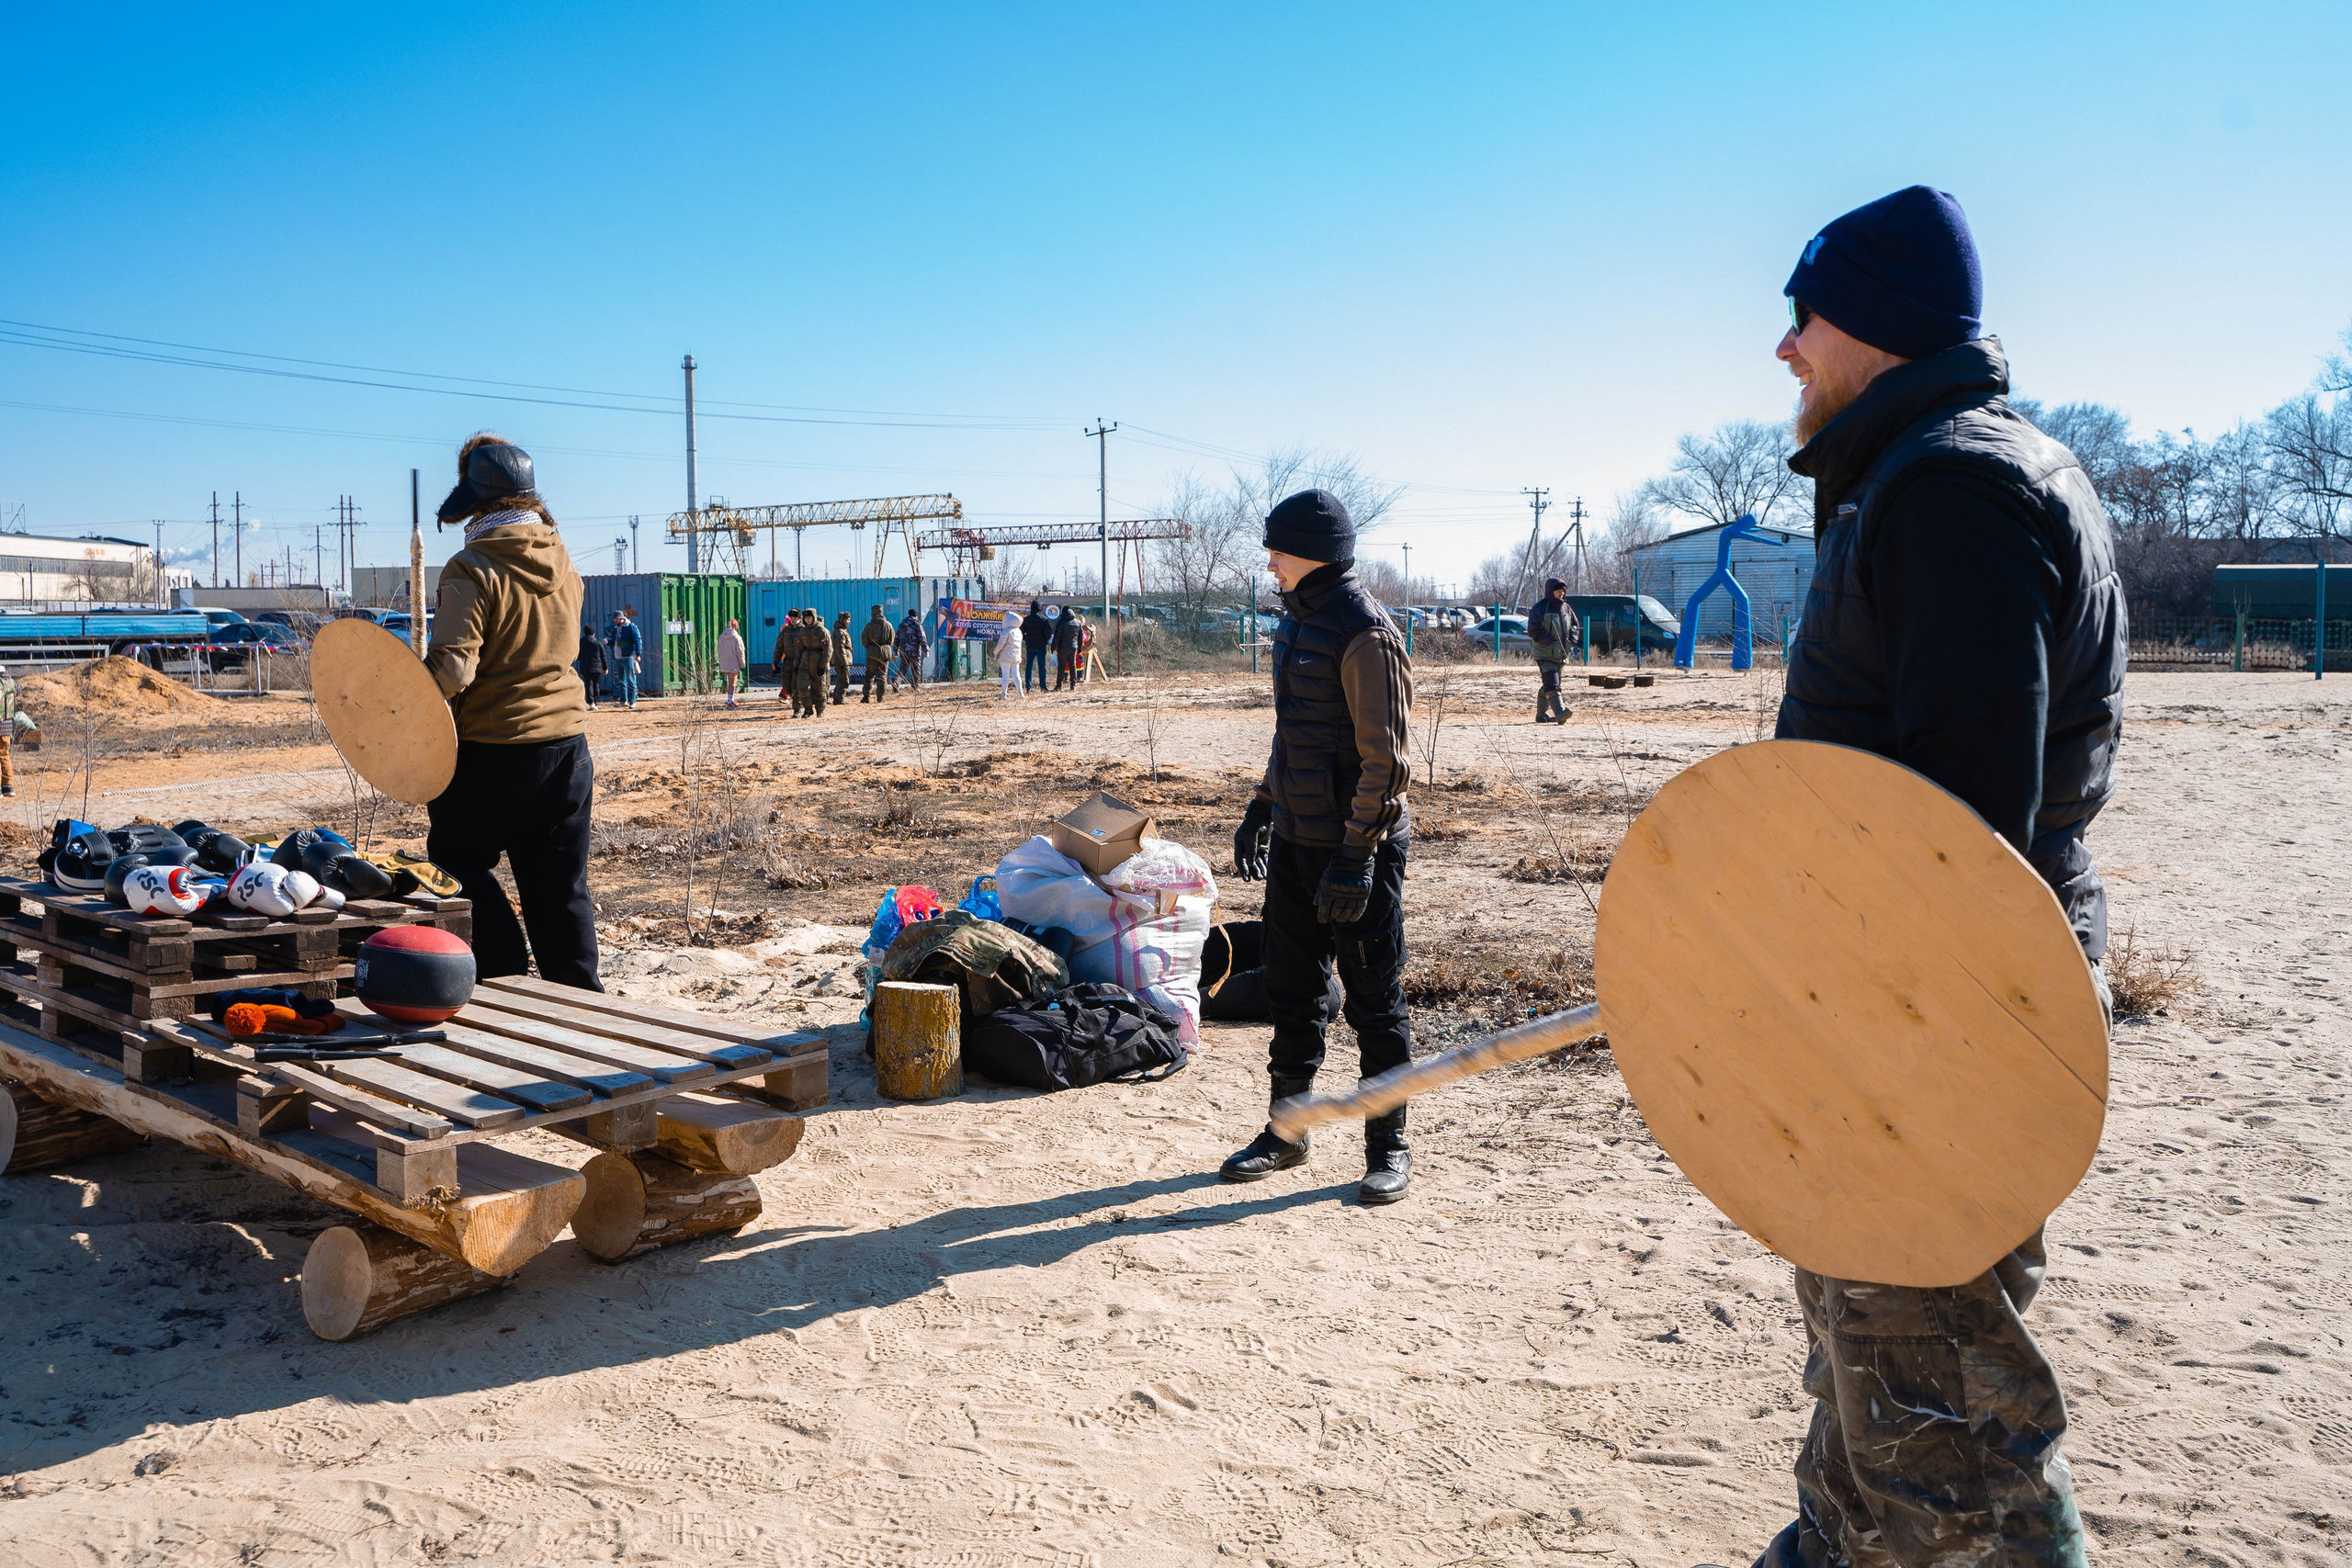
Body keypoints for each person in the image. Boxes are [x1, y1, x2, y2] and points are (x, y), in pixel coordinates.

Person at [1753, 186, 2125, 1568]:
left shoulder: (1951, 490)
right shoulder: (1929, 475)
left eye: (1807, 317)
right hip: (1890, 1010)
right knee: (1871, 1375)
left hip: (1933, 1026)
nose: (1786, 348)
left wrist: (1875, 1035)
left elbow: (1961, 836)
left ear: (1881, 328)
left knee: (1944, 1422)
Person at [1220, 489, 1415, 1205]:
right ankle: (1287, 1133)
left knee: (1374, 1000)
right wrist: (1262, 806)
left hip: (1358, 850)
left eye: (1276, 547)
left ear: (1309, 550)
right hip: (1299, 843)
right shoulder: (1297, 624)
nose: (1268, 560)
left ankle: (1388, 1144)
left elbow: (1386, 762)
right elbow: (1293, 733)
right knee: (1293, 993)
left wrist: (1358, 855)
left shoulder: (1366, 632)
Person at [421, 433, 599, 989]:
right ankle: (581, 1006)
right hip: (567, 750)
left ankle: (503, 977)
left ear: (472, 502)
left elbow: (453, 671)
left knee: (455, 864)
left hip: (493, 752)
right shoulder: (564, 559)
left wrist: (400, 703)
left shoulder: (470, 568)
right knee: (560, 887)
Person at [1527, 578, 1575, 724]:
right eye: (1558, 591)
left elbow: (1575, 626)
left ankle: (1541, 716)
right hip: (1545, 654)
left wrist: (1572, 640)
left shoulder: (1566, 607)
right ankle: (1560, 713)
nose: (1561, 593)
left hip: (1561, 654)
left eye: (1563, 591)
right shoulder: (1540, 608)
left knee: (1550, 684)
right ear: (1550, 591)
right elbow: (1533, 630)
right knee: (1553, 685)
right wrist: (1550, 642)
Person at [796, 609, 831, 717]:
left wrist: (822, 665)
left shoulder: (822, 631)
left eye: (809, 618)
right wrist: (796, 665)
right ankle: (807, 709)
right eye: (806, 618)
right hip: (804, 663)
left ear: (814, 618)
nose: (808, 620)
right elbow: (799, 649)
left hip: (818, 664)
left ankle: (820, 710)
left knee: (820, 688)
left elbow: (828, 650)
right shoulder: (803, 631)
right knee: (802, 687)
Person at [607, 608, 641, 709]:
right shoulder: (616, 628)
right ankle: (623, 700)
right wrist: (608, 642)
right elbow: (613, 640)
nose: (615, 621)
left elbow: (637, 640)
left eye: (616, 619)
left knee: (630, 679)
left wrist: (638, 654)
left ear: (622, 619)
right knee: (621, 680)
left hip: (628, 655)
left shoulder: (630, 627)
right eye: (614, 620)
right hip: (617, 656)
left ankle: (632, 701)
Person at [859, 605, 895, 702]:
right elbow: (891, 640)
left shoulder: (869, 626)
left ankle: (866, 697)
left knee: (869, 675)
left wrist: (871, 647)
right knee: (882, 676)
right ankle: (881, 697)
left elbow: (864, 641)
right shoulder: (888, 625)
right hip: (885, 653)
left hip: (872, 653)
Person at [1020, 600, 1052, 693]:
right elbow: (1048, 632)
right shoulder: (1043, 619)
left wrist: (1026, 638)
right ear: (1040, 609)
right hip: (1041, 645)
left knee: (1029, 666)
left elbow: (1020, 631)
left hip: (1030, 645)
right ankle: (1043, 687)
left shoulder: (1026, 620)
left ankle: (1028, 687)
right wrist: (1045, 639)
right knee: (1042, 667)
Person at [574, 622, 607, 711]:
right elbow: (603, 656)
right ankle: (596, 701)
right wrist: (605, 668)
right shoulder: (597, 643)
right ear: (593, 633)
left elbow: (578, 655)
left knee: (588, 684)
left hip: (585, 667)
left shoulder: (581, 643)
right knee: (596, 684)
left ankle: (591, 702)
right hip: (597, 667)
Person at [894, 608, 927, 693]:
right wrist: (926, 649)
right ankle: (915, 688)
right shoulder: (917, 624)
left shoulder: (902, 625)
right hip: (914, 651)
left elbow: (896, 638)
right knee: (916, 669)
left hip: (903, 651)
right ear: (916, 616)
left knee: (903, 668)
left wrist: (896, 650)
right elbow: (922, 638)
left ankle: (896, 682)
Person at [1053, 605, 1085, 690]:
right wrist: (1080, 648)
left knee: (1061, 667)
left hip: (1062, 648)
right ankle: (1073, 685)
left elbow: (1057, 636)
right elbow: (1080, 637)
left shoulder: (1061, 622)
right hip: (1073, 647)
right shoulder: (1078, 622)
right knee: (1072, 666)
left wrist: (1053, 646)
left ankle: (1059, 686)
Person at [717, 617, 745, 708]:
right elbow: (741, 652)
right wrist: (743, 665)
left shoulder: (721, 637)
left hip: (724, 663)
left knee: (730, 682)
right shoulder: (737, 638)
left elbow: (719, 650)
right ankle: (730, 701)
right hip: (734, 664)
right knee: (733, 683)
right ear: (735, 626)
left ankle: (730, 700)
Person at [995, 610, 1023, 697]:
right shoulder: (1018, 631)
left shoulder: (1006, 631)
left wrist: (995, 653)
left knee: (1005, 675)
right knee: (1016, 675)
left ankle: (1004, 693)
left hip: (1006, 657)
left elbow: (1000, 644)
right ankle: (1020, 693)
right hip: (1016, 657)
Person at [0, 661, 17, 795]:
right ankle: (8, 787)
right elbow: (19, 689)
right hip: (8, 727)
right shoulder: (12, 682)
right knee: (5, 756)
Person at [830, 612, 854, 704]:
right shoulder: (839, 632)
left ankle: (838, 698)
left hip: (842, 658)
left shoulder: (842, 630)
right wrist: (844, 662)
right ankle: (839, 698)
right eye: (847, 620)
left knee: (842, 679)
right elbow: (840, 648)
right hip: (841, 660)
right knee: (844, 679)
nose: (849, 622)